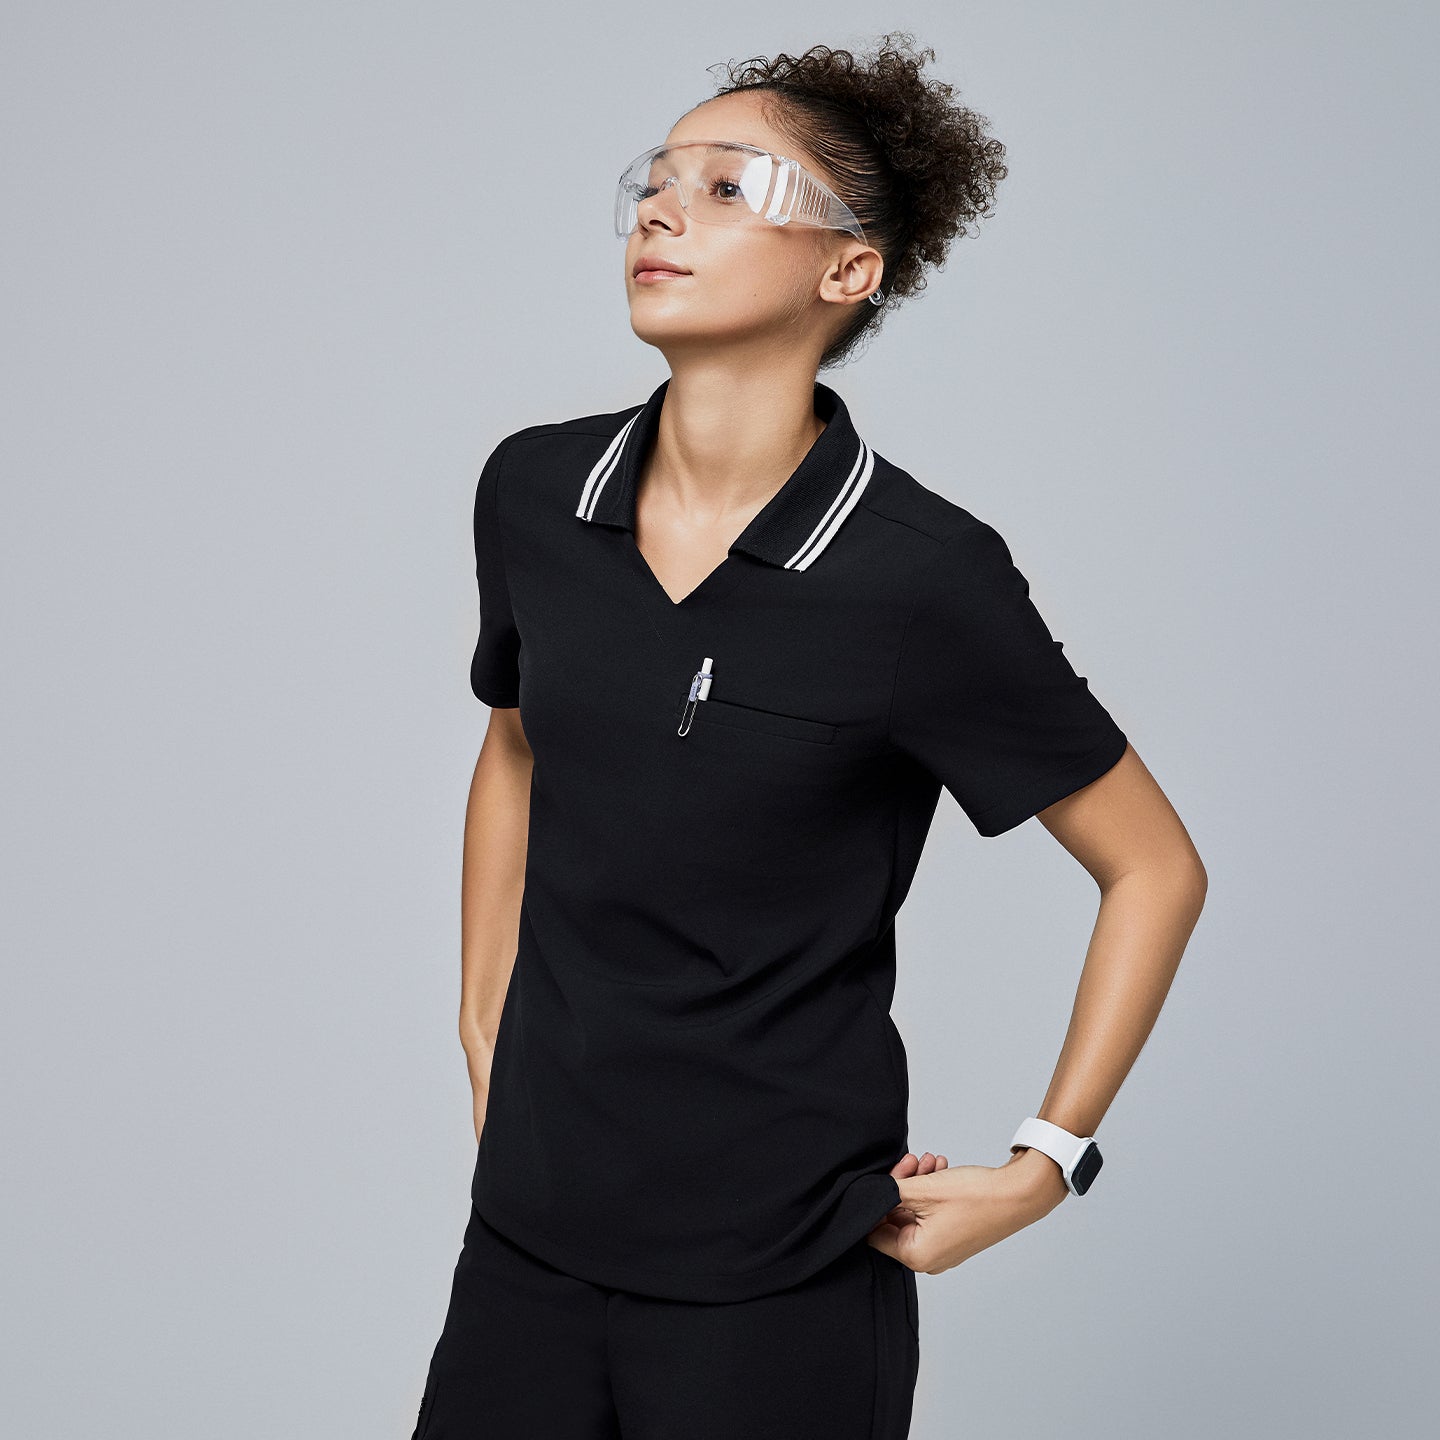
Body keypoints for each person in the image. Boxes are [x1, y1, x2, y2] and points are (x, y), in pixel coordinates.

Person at [410, 32, 1206, 1440]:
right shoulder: (532, 493)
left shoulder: (922, 577)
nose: (662, 209)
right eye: (657, 180)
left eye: (730, 188)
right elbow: (519, 743)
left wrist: (1046, 1163)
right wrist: (483, 1026)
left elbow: (1154, 869)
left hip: (778, 1286)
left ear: (850, 272)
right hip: (525, 1246)